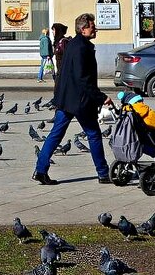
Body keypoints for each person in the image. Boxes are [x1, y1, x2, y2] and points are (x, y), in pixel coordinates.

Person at [32, 13, 113, 185]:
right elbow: (83, 79)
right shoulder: (82, 48)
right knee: (94, 134)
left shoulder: (73, 45)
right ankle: (103, 173)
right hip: (80, 101)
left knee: (55, 134)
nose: (95, 28)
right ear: (83, 29)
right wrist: (101, 98)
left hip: (66, 99)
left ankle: (40, 170)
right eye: (92, 26)